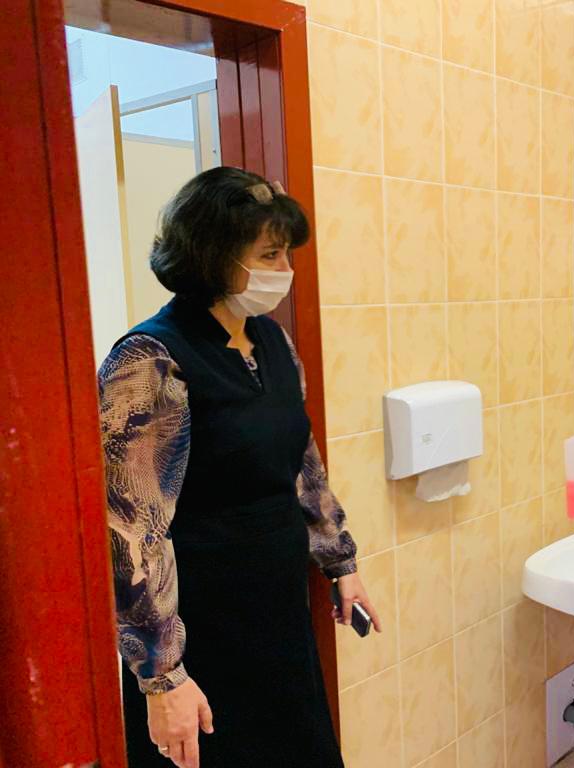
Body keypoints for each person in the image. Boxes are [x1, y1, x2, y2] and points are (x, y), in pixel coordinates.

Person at [98, 167, 381, 768]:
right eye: (269, 255)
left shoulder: (272, 342)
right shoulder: (150, 359)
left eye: (287, 253)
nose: (285, 270)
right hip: (202, 632)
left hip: (278, 614)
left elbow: (302, 463)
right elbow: (129, 532)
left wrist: (340, 561)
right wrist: (162, 676)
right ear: (212, 256)